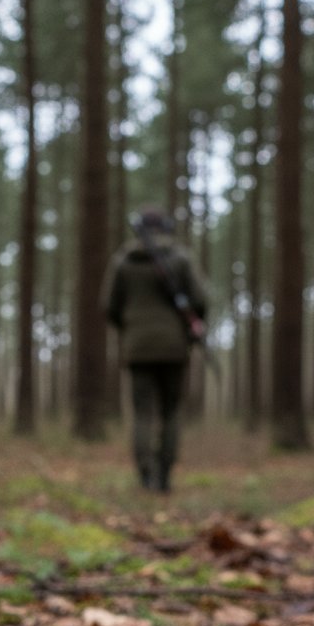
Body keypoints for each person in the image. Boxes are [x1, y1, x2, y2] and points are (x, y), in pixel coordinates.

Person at [103, 208, 208, 493]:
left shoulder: (123, 262)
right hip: (174, 347)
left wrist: (130, 328)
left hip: (137, 348)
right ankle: (164, 474)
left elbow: (109, 306)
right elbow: (199, 300)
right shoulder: (180, 258)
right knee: (171, 412)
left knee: (142, 414)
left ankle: (145, 474)